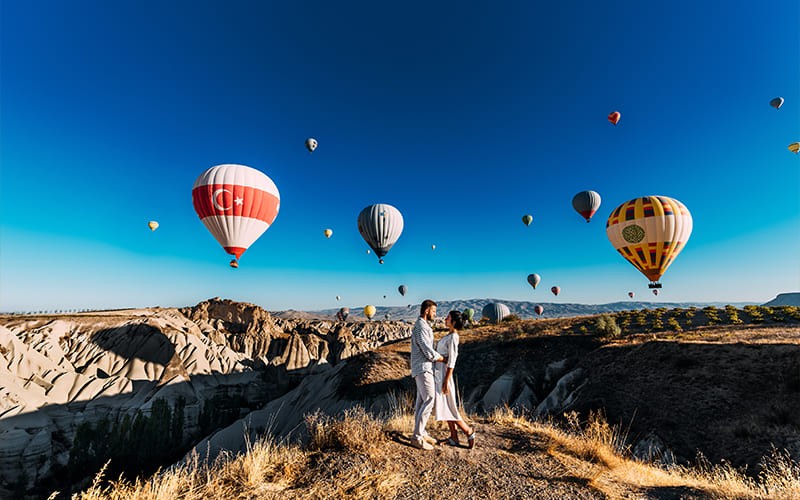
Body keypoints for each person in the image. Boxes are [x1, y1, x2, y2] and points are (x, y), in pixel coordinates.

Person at [434, 311, 476, 448]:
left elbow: (452, 361)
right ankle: (454, 437)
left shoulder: (453, 337)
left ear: (453, 322)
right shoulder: (449, 335)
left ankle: (468, 430)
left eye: (448, 318)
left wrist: (446, 381)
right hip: (440, 373)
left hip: (444, 374)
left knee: (449, 407)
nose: (445, 319)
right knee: (445, 406)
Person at [410, 299, 446, 450]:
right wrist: (442, 358)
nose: (435, 315)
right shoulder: (421, 326)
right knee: (430, 399)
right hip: (423, 367)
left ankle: (421, 432)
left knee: (421, 401)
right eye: (433, 311)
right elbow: (427, 350)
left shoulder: (423, 326)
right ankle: (417, 437)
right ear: (426, 311)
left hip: (424, 368)